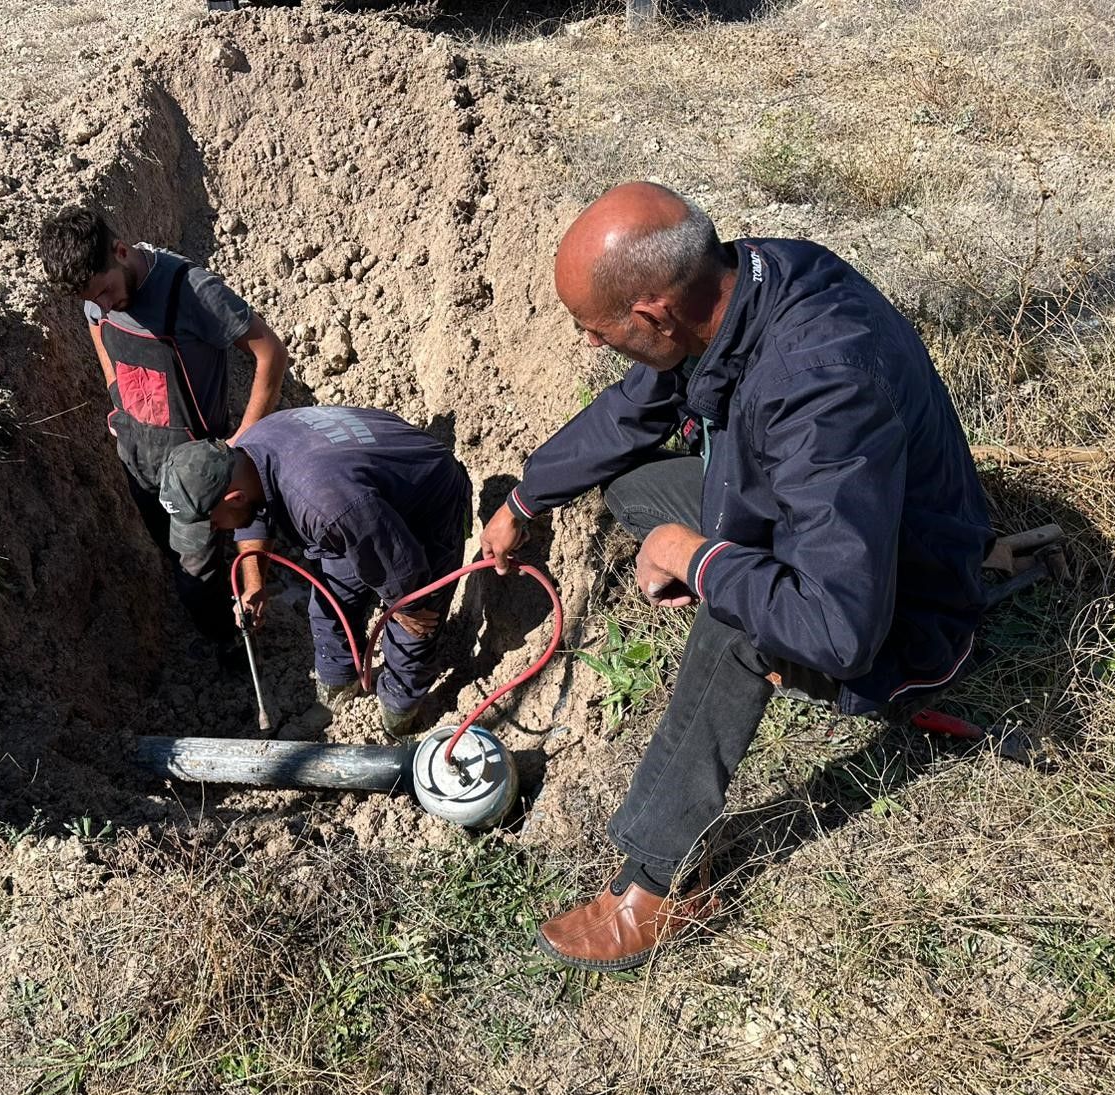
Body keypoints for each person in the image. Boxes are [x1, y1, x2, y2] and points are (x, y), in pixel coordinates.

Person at [480, 182, 993, 972]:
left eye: (600, 331)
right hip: (830, 525)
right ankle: (737, 579)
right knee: (636, 488)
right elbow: (633, 411)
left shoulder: (821, 384)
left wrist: (700, 558)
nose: (593, 346)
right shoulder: (742, 286)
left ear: (653, 315)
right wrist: (526, 497)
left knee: (734, 623)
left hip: (903, 608)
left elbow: (841, 627)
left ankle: (659, 879)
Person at [37, 204, 288, 652]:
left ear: (119, 250)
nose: (104, 306)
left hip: (195, 470)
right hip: (138, 457)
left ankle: (230, 645)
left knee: (195, 580)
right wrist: (118, 397)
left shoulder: (190, 291)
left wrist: (242, 445)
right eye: (92, 301)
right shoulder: (98, 294)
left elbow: (271, 352)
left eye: (107, 293)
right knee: (171, 554)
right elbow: (100, 332)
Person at [158, 406, 472, 738]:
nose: (218, 530)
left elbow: (397, 560)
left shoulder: (323, 504)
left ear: (233, 498)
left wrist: (406, 605)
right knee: (327, 608)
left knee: (413, 628)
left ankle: (397, 721)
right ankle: (338, 692)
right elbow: (256, 516)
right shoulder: (245, 457)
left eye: (214, 523)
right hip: (360, 499)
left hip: (427, 501)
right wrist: (254, 585)